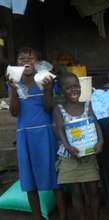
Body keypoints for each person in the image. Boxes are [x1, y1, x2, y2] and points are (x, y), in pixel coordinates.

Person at [8, 47, 66, 220]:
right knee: (29, 179)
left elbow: (49, 108)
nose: (26, 61)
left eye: (30, 58)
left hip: (46, 133)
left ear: (37, 62)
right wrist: (12, 89)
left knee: (55, 178)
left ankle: (63, 216)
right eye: (21, 58)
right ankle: (37, 217)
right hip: (24, 135)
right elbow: (14, 112)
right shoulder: (13, 82)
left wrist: (47, 89)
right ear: (16, 63)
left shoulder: (45, 79)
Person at [53, 72, 103, 220]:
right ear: (62, 91)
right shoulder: (59, 108)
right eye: (68, 88)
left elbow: (96, 124)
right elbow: (60, 129)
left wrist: (101, 141)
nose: (73, 90)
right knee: (76, 193)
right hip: (69, 158)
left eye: (76, 86)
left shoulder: (87, 105)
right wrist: (67, 146)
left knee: (93, 191)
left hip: (88, 155)